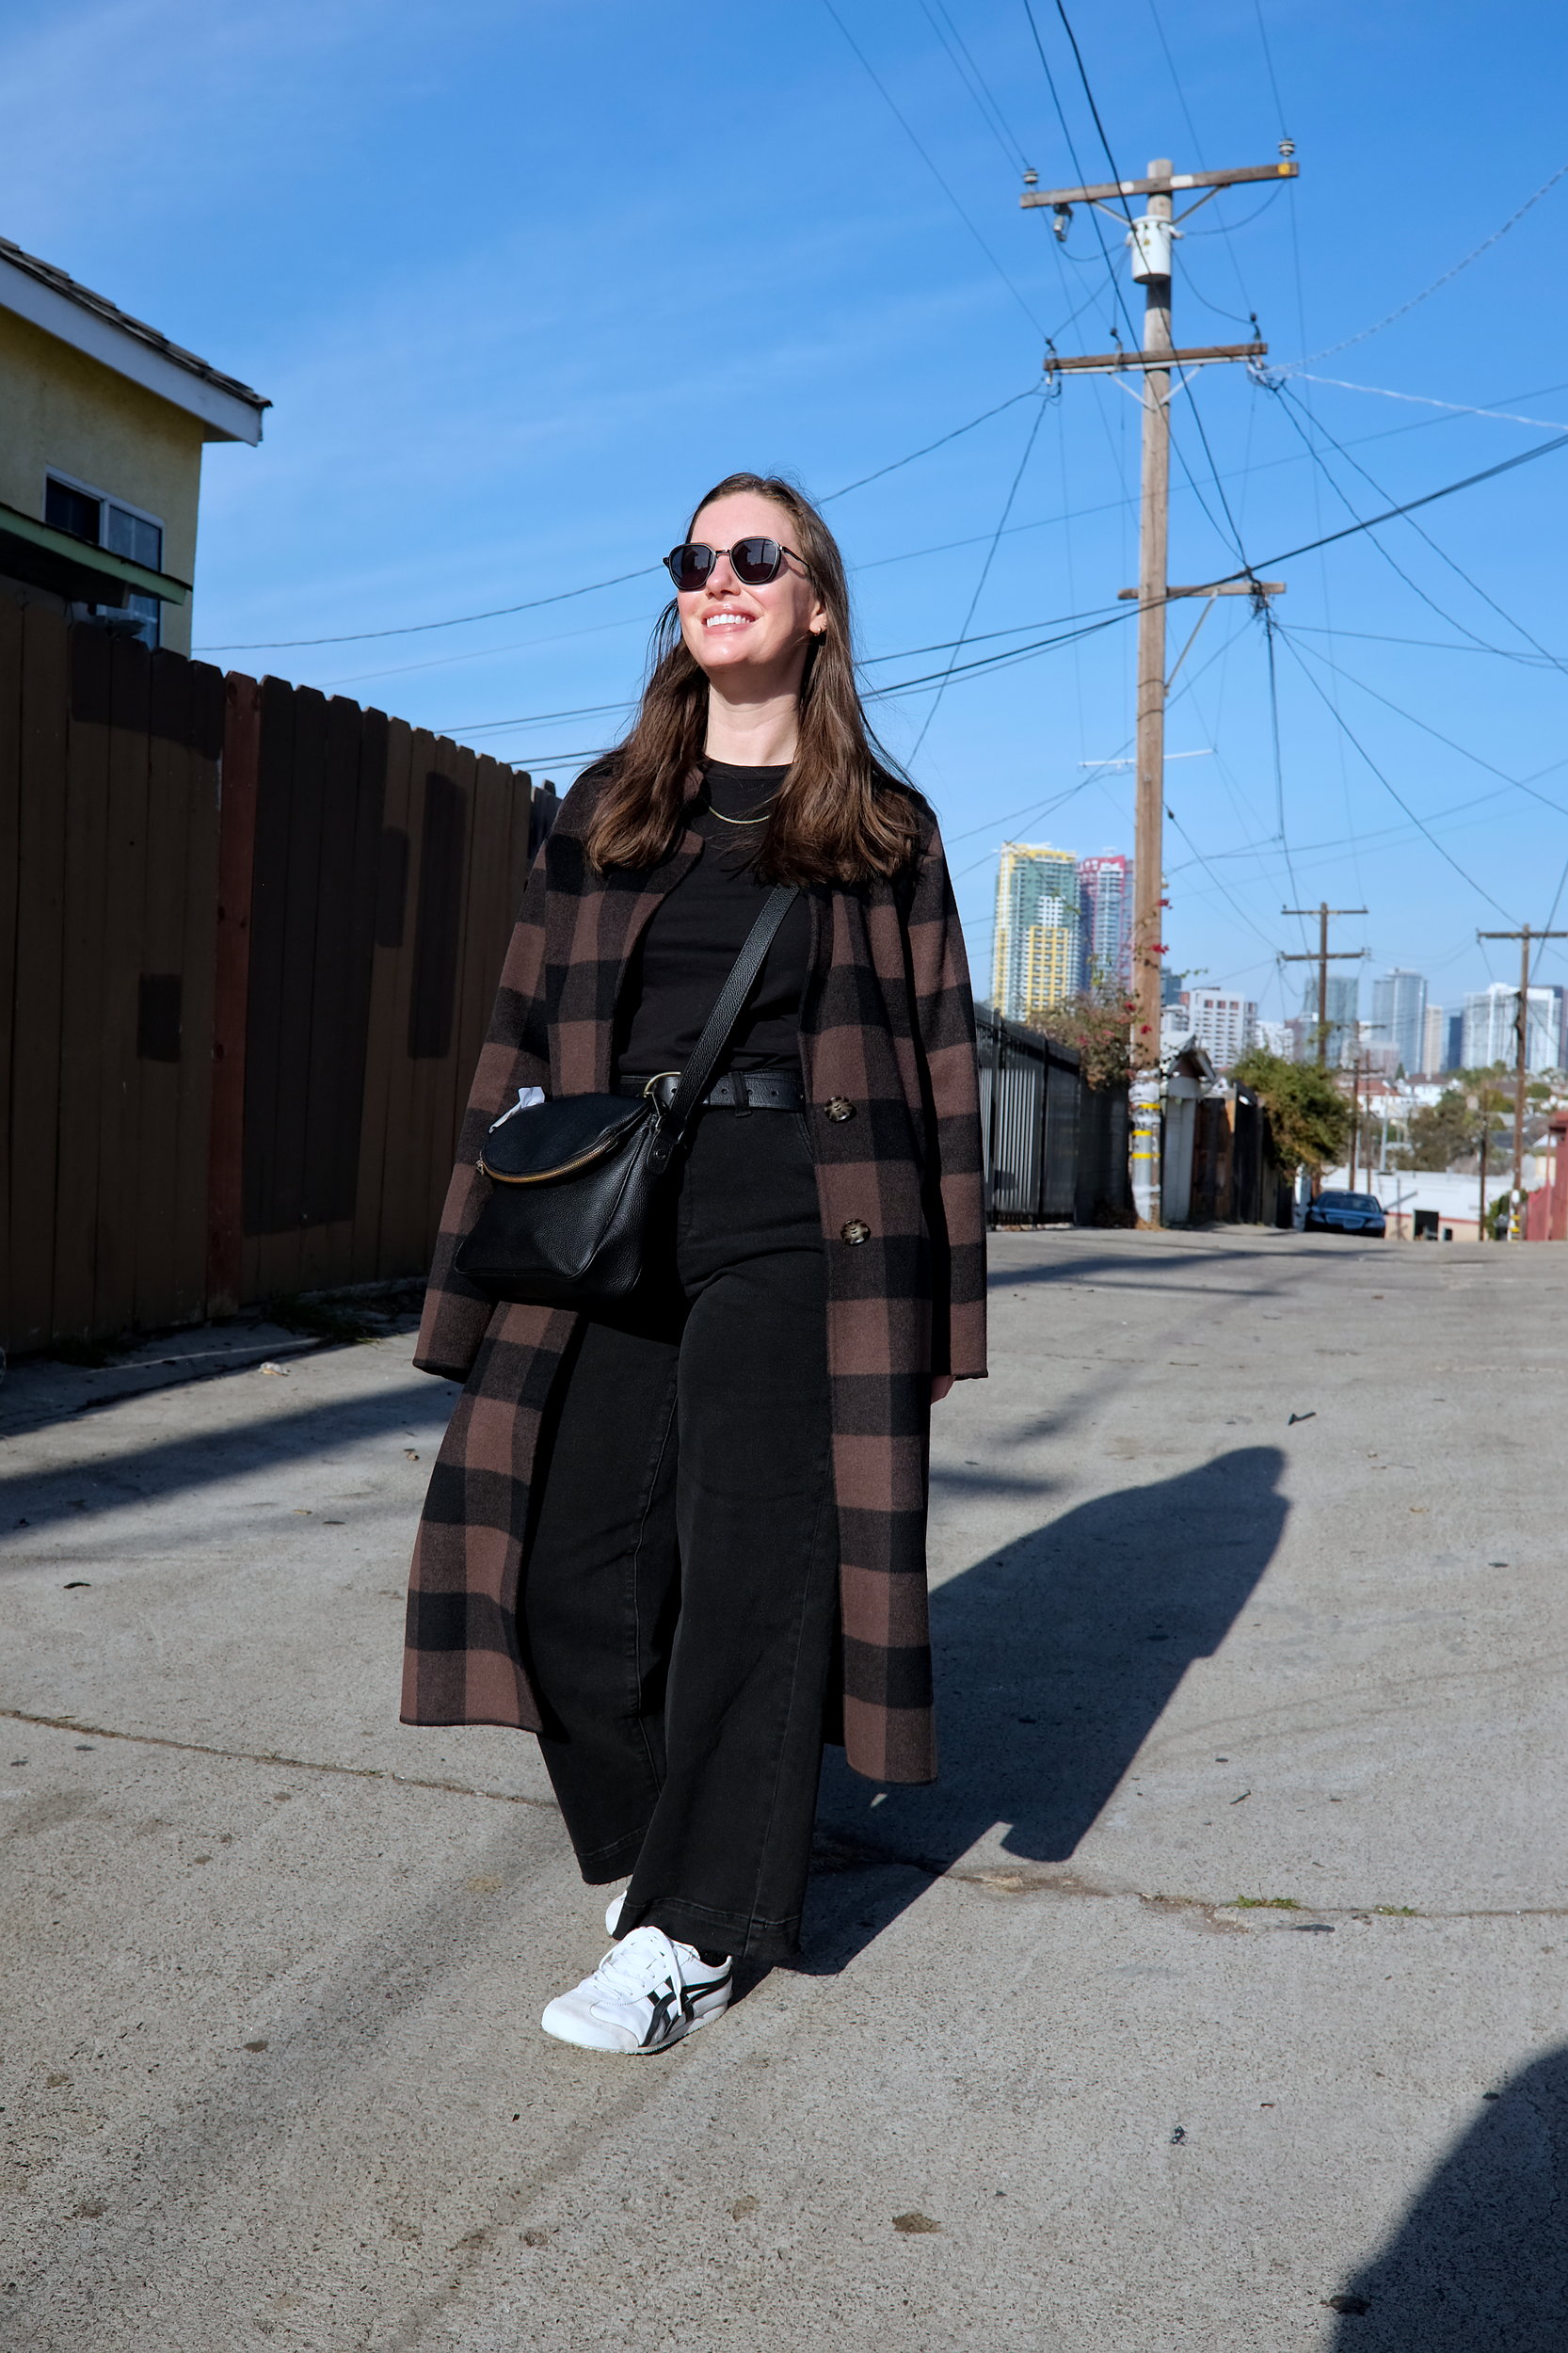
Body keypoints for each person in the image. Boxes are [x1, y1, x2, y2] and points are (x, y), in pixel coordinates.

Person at [403, 471, 985, 2054]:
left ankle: (691, 1928)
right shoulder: (601, 811)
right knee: (553, 1570)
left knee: (752, 1575)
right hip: (608, 1210)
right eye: (693, 558)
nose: (715, 577)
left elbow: (941, 1076)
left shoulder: (879, 831)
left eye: (754, 556)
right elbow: (519, 1039)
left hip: (804, 1217)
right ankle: (681, 1845)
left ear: (815, 605)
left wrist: (941, 1306)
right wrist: (472, 1260)